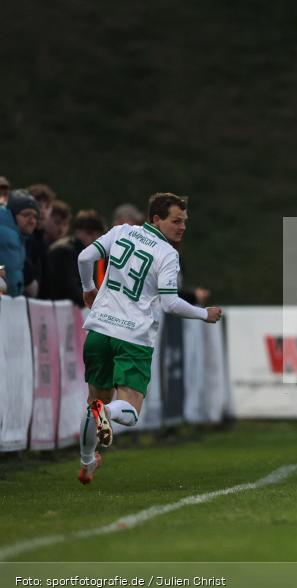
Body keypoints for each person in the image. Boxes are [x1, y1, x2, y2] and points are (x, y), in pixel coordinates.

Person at [76, 193, 223, 484]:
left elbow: (84, 256)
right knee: (129, 411)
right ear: (156, 219)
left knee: (94, 401)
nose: (181, 227)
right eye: (175, 221)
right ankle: (105, 411)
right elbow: (170, 304)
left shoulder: (121, 232)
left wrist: (88, 288)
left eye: (184, 222)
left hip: (99, 330)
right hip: (133, 336)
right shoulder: (167, 254)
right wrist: (203, 313)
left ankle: (87, 461)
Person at [45, 210, 106, 305]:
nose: (94, 238)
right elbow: (69, 288)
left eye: (98, 235)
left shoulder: (86, 255)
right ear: (77, 231)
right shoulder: (65, 251)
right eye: (89, 233)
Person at [6, 190, 41, 296]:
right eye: (26, 215)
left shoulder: (33, 243)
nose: (32, 221)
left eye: (35, 216)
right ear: (12, 216)